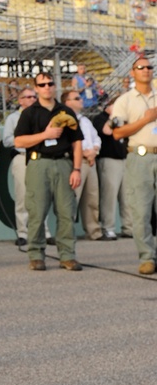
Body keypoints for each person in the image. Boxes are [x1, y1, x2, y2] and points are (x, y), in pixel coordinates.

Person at [14, 71, 83, 271]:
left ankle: (67, 255)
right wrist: (45, 135)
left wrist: (76, 169)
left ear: (55, 86)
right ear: (36, 88)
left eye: (50, 84)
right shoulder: (29, 112)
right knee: (37, 211)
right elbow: (19, 141)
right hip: (38, 163)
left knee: (66, 211)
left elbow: (77, 142)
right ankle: (36, 254)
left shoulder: (66, 111)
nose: (47, 87)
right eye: (42, 85)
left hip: (63, 163)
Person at [109, 57, 157, 274]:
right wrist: (145, 120)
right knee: (141, 210)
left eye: (149, 67)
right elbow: (117, 132)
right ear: (132, 72)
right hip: (140, 157)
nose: (146, 70)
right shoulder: (125, 101)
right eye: (141, 67)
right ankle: (147, 257)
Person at [62, 87, 101, 240]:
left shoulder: (84, 120)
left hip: (90, 162)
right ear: (67, 102)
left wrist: (94, 151)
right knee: (73, 198)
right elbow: (67, 141)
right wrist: (85, 152)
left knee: (92, 198)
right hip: (76, 162)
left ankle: (94, 231)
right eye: (77, 98)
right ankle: (68, 232)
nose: (81, 100)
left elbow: (96, 138)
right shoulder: (64, 119)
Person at [1, 86, 37, 249]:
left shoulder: (42, 114)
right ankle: (23, 232)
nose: (31, 100)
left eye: (34, 97)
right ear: (20, 100)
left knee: (40, 197)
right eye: (28, 97)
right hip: (22, 157)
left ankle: (43, 232)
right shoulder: (13, 118)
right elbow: (7, 140)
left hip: (40, 159)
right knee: (22, 196)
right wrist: (28, 142)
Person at [94, 96, 128, 242]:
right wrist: (114, 117)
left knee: (128, 196)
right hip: (109, 160)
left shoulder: (124, 120)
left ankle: (129, 227)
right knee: (109, 195)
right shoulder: (100, 118)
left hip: (125, 159)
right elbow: (107, 131)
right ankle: (108, 228)